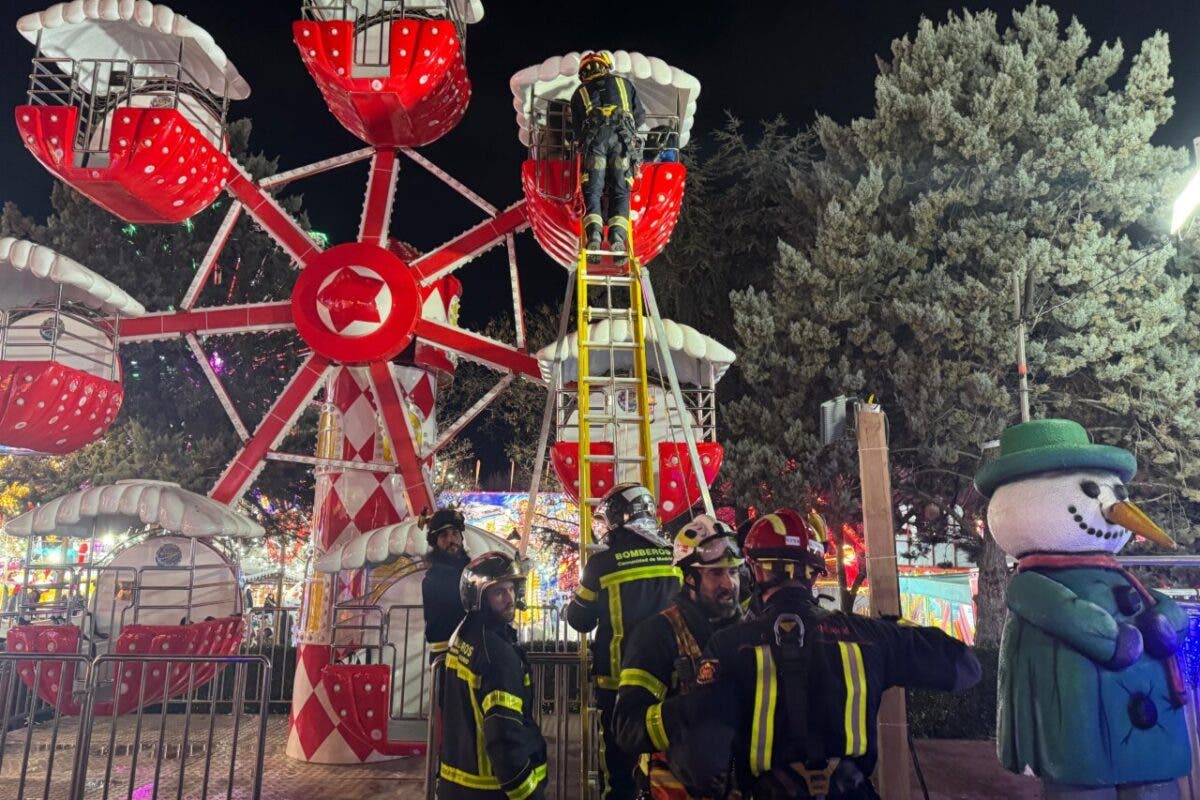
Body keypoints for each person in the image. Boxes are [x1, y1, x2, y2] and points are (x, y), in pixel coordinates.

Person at [669, 509, 982, 799]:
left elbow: (702, 762)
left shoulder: (728, 645)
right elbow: (967, 668)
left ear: (757, 571)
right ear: (815, 573)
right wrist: (893, 629)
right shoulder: (871, 637)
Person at [614, 515, 744, 799]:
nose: (729, 583)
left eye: (733, 572)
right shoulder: (657, 636)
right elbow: (627, 729)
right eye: (716, 574)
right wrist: (689, 709)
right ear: (690, 579)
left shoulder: (748, 632)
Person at [566, 483, 681, 800]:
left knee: (620, 765)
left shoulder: (602, 565)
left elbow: (579, 619)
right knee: (667, 761)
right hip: (671, 680)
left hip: (618, 682)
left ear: (617, 518)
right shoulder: (675, 558)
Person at [437, 551, 547, 800]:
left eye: (511, 589)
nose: (509, 599)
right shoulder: (496, 656)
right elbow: (504, 738)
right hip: (490, 789)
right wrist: (528, 793)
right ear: (479, 598)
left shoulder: (465, 635)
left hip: (457, 784)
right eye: (499, 592)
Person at [570, 50, 646, 267]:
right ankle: (618, 240)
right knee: (621, 190)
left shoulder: (579, 94)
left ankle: (594, 236)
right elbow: (639, 116)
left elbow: (577, 134)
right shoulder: (625, 85)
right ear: (605, 66)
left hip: (596, 144)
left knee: (593, 189)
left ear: (583, 73)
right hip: (623, 143)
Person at [421, 507, 470, 660]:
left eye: (455, 533)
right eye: (444, 536)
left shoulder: (468, 570)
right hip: (445, 655)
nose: (451, 540)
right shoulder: (435, 577)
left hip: (467, 651)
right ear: (435, 543)